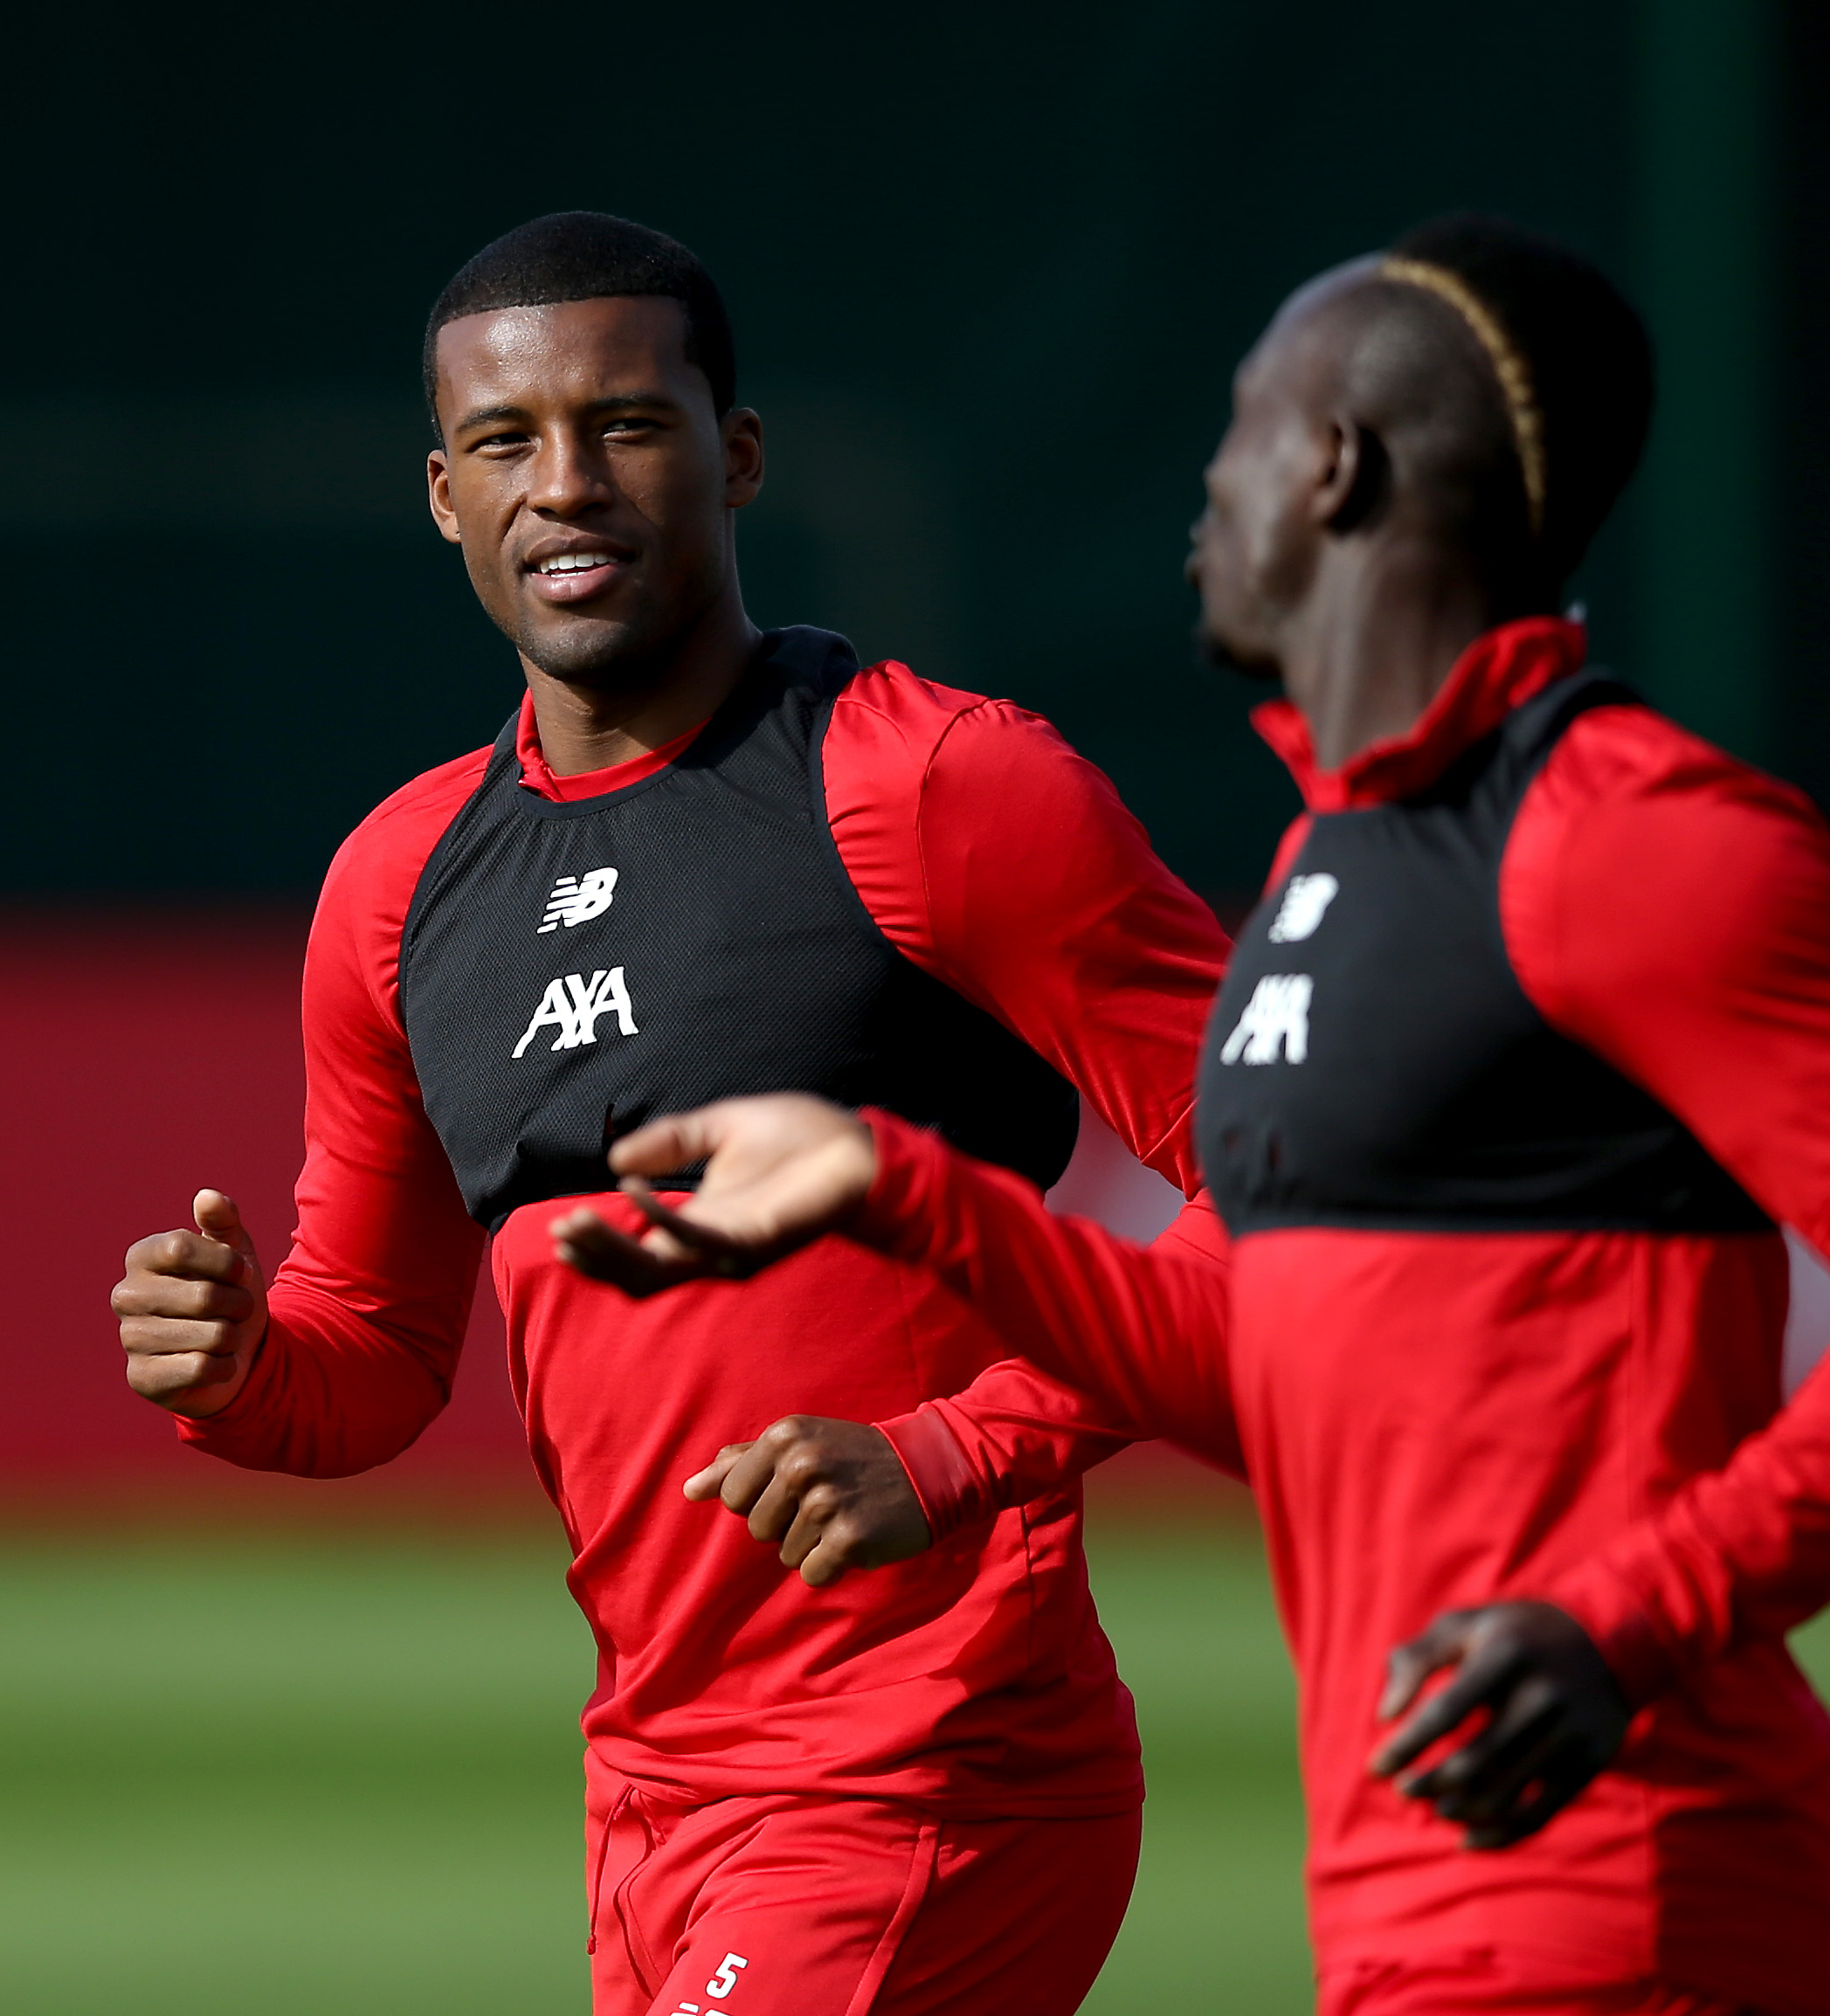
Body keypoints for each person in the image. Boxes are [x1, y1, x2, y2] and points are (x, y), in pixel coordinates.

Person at [552, 214, 1830, 2016]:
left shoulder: (1628, 827)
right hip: (1410, 1899)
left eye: (1240, 427)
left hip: (1633, 1881)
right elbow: (1280, 1362)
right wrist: (897, 1186)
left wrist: (1635, 1618)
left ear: (1340, 466)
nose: (1203, 489)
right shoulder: (1331, 863)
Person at [107, 212, 1236, 2016]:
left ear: (740, 452)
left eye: (628, 424)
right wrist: (242, 1369)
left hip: (927, 1775)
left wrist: (959, 1448)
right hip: (652, 1800)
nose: (569, 484)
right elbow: (377, 1353)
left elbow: (1302, 1180)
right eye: (507, 442)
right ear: (441, 495)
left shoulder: (936, 786)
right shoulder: (398, 888)